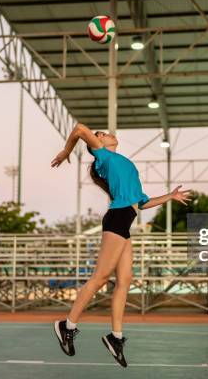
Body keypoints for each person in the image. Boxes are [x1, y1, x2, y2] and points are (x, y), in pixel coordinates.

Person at [50, 123, 191, 367]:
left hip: (127, 220)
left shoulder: (125, 163)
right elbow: (79, 129)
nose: (105, 134)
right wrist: (67, 152)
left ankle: (115, 338)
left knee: (125, 281)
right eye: (100, 135)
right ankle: (67, 324)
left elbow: (142, 202)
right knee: (101, 277)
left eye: (104, 133)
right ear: (97, 145)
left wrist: (170, 196)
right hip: (117, 219)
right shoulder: (102, 157)